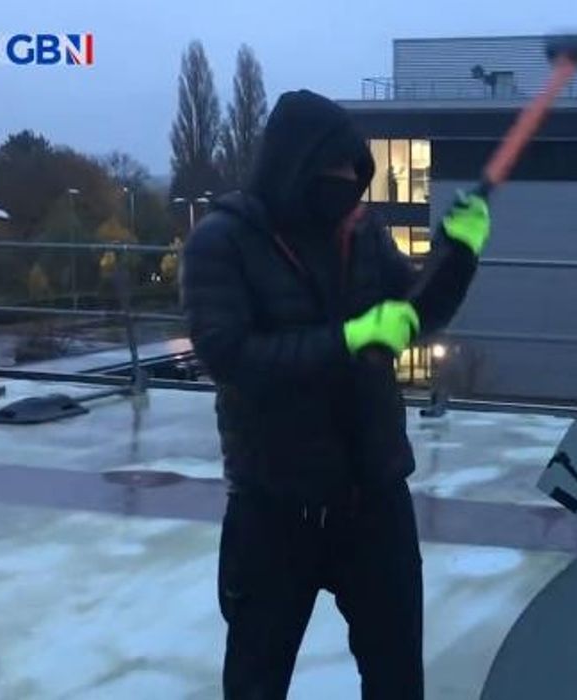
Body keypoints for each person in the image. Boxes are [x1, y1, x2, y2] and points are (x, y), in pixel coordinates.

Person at [182, 89, 490, 699]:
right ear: (295, 166)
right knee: (256, 680)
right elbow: (229, 356)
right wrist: (349, 338)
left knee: (397, 678)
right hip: (275, 506)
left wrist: (457, 257)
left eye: (356, 171)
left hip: (374, 498)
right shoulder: (222, 240)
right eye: (337, 170)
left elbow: (414, 314)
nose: (349, 184)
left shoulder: (362, 230)